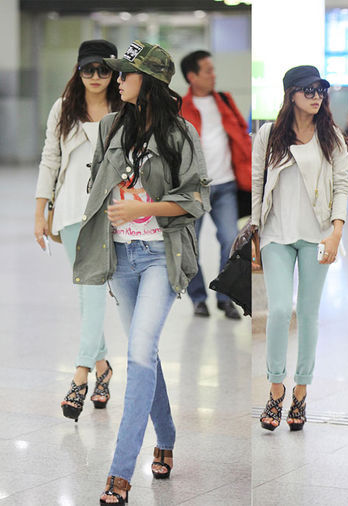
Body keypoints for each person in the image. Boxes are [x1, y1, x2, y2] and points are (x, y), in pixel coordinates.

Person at [71, 40, 209, 505]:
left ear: (147, 82)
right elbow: (97, 186)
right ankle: (166, 438)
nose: (116, 80)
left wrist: (143, 209)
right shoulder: (110, 127)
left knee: (139, 353)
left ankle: (120, 472)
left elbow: (195, 200)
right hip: (120, 258)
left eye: (124, 74)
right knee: (143, 353)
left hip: (159, 256)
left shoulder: (180, 134)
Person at [252, 65, 348, 432]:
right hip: (275, 234)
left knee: (308, 314)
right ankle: (276, 387)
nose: (316, 96)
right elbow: (257, 182)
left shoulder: (331, 136)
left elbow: (342, 185)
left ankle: (301, 391)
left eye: (320, 90)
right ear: (291, 94)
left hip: (317, 236)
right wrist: (255, 232)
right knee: (279, 310)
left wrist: (336, 233)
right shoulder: (269, 135)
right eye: (308, 90)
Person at [34, 39, 121, 421]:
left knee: (94, 290)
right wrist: (40, 213)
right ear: (79, 70)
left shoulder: (124, 107)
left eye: (103, 69)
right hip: (70, 210)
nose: (96, 76)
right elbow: (49, 160)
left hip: (109, 210)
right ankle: (103, 367)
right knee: (87, 294)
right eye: (89, 69)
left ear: (114, 72)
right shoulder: (63, 108)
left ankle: (81, 373)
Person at [180, 49, 251, 320]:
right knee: (189, 247)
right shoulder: (181, 107)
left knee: (230, 240)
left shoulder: (225, 100)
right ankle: (198, 298)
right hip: (194, 190)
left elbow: (241, 136)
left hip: (226, 185)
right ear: (192, 76)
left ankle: (225, 297)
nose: (214, 75)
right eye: (208, 70)